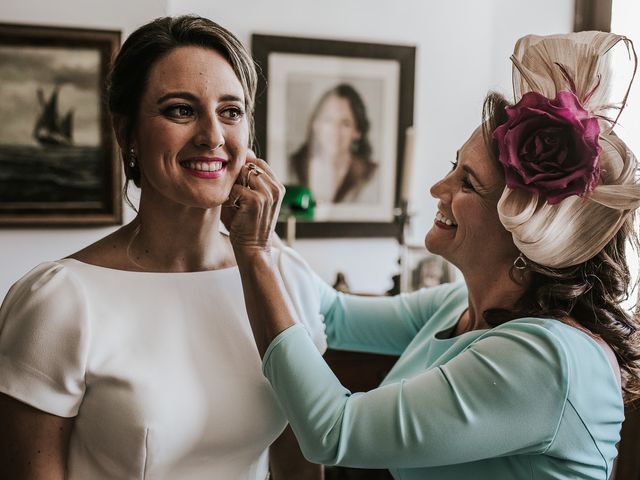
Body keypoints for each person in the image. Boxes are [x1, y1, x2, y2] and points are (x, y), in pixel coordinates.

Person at [224, 31, 640, 479]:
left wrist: (255, 250)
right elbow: (333, 314)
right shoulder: (456, 307)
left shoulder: (548, 359)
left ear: (526, 228)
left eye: (467, 183)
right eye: (452, 167)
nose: (437, 190)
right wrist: (251, 200)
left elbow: (332, 430)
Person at [0, 15, 326, 480]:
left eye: (231, 111)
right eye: (180, 110)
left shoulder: (286, 277)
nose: (212, 136)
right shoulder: (61, 300)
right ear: (126, 132)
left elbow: (302, 459)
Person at [290, 83, 377, 204]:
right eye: (328, 120)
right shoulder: (292, 166)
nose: (335, 131)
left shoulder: (371, 177)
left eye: (345, 123)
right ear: (316, 124)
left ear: (357, 132)